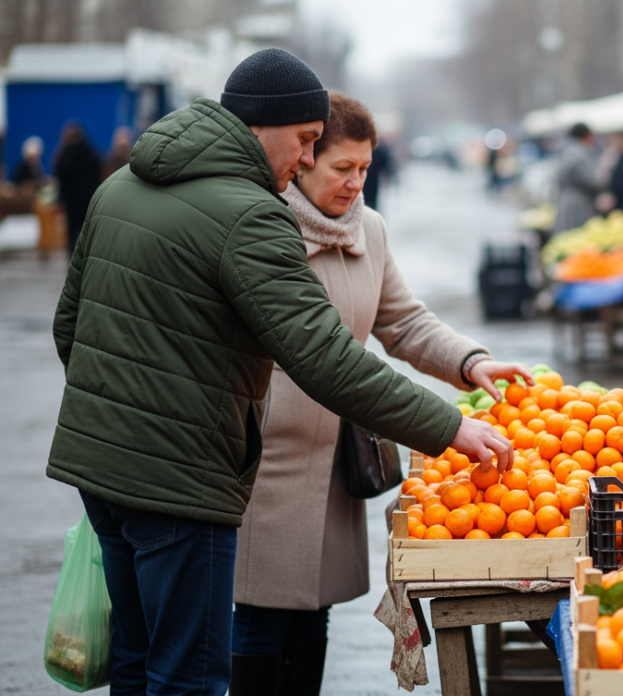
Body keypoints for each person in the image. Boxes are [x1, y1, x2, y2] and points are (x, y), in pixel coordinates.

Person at [48, 48, 513, 696]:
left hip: (101, 469)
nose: (303, 159)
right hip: (183, 479)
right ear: (262, 126)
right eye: (306, 142)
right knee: (190, 677)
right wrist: (447, 429)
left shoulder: (120, 185)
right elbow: (324, 357)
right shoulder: (251, 214)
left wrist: (119, 416)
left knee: (137, 657)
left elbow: (70, 327)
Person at [228, 92, 529, 695]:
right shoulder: (261, 226)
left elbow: (404, 322)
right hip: (263, 457)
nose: (355, 183)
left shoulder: (370, 230)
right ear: (306, 157)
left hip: (335, 456)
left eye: (365, 169)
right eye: (343, 168)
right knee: (259, 616)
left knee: (314, 613)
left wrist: (471, 363)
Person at [52, 122, 103, 254]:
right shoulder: (91, 152)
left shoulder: (65, 154)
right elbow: (98, 172)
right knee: (87, 229)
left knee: (72, 231)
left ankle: (72, 256)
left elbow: (59, 174)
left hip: (71, 200)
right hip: (89, 198)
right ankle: (87, 254)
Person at [552, 122, 602, 234]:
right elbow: (592, 182)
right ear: (586, 135)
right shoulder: (578, 154)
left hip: (566, 200)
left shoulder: (566, 151)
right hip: (577, 205)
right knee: (576, 236)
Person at [361, 136, 393, 211]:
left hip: (369, 179)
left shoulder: (369, 151)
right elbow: (386, 166)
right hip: (371, 179)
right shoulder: (378, 151)